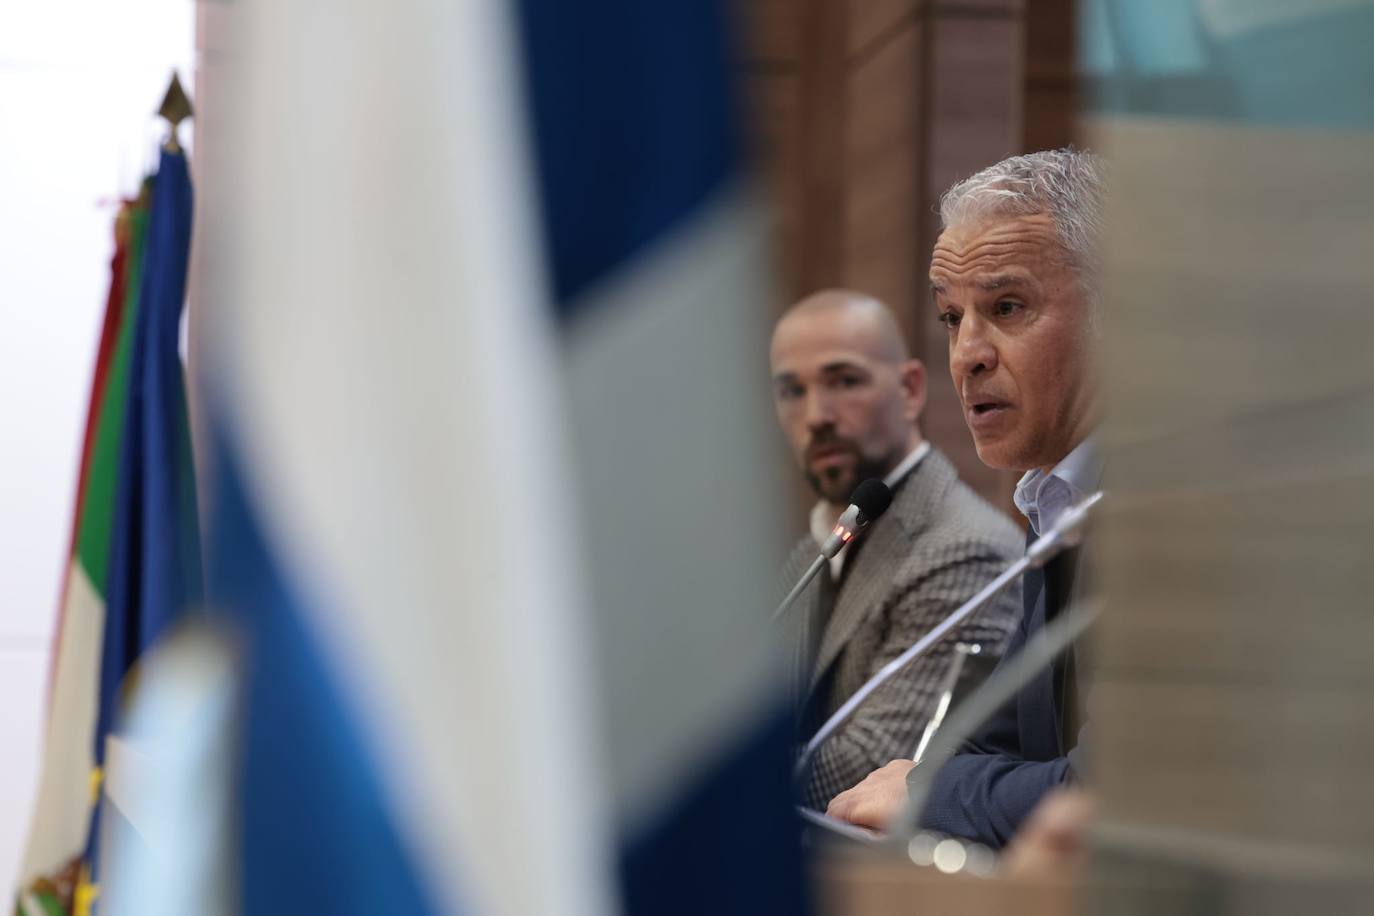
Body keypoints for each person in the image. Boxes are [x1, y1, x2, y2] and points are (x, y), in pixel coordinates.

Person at [825, 148, 1104, 848]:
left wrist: (928, 791)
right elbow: (980, 749)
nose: (968, 354)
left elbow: (1116, 797)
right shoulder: (1057, 506)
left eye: (1007, 307)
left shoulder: (1189, 504)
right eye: (953, 318)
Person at [769, 289, 1023, 810]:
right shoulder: (810, 554)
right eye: (792, 391)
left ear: (910, 389)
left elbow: (876, 769)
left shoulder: (964, 549)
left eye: (844, 381)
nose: (816, 414)